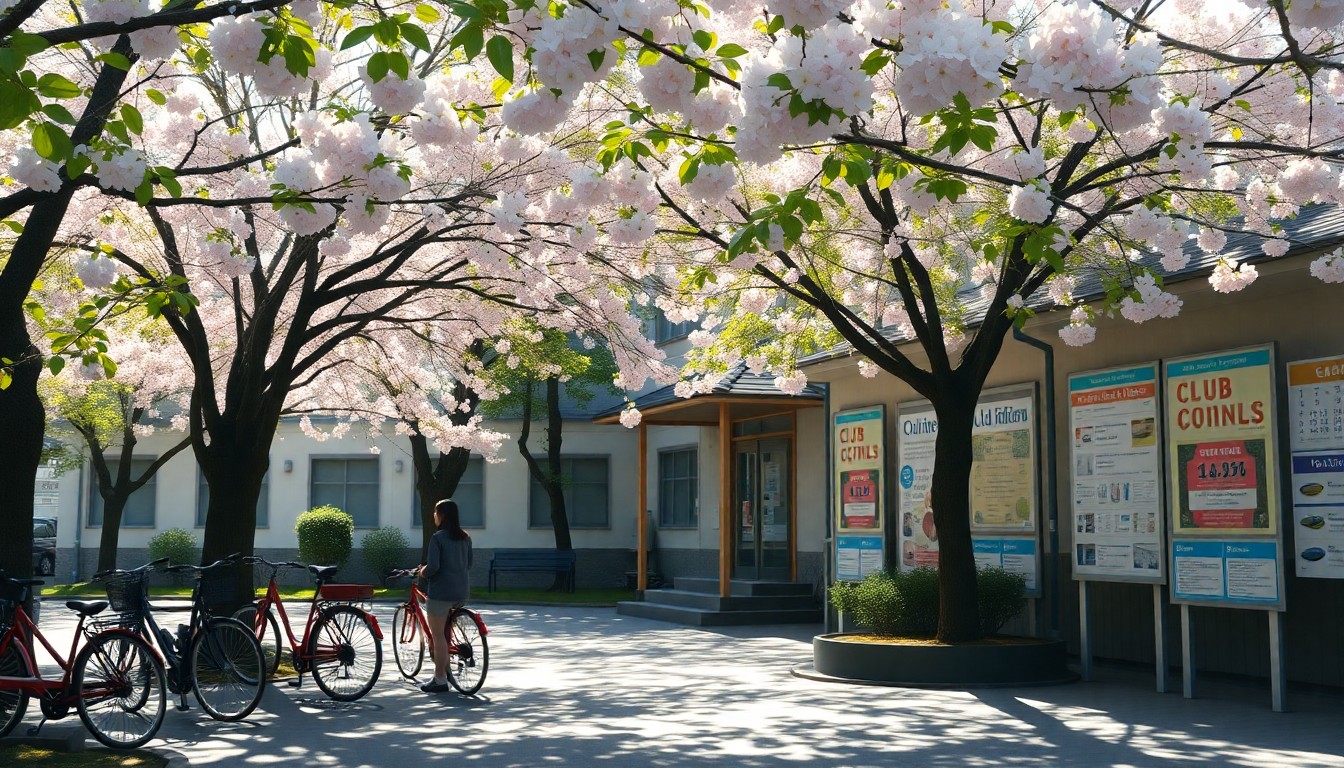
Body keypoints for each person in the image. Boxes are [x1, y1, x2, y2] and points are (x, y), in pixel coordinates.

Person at [417, 498, 473, 693]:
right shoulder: (465, 537)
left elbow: (433, 567)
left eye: (435, 512)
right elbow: (469, 563)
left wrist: (422, 571)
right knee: (445, 631)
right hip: (461, 592)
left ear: (441, 515)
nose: (433, 515)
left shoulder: (438, 538)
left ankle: (439, 679)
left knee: (438, 636)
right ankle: (446, 669)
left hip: (441, 593)